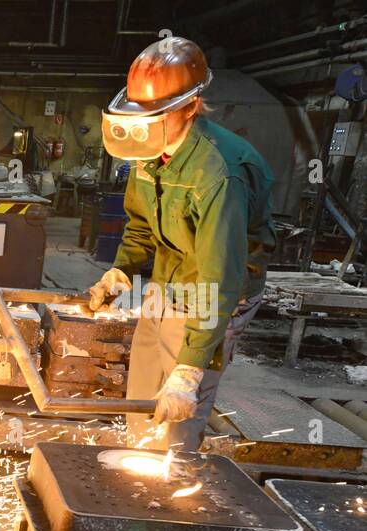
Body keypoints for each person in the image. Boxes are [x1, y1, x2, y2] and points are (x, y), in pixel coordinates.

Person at [88, 36, 275, 452]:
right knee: (141, 397)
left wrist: (190, 371)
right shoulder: (150, 152)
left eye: (157, 116)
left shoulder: (219, 174)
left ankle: (170, 489)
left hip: (212, 294)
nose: (145, 127)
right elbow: (140, 225)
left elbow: (219, 279)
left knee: (176, 410)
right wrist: (123, 271)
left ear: (190, 107)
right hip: (166, 282)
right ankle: (139, 468)